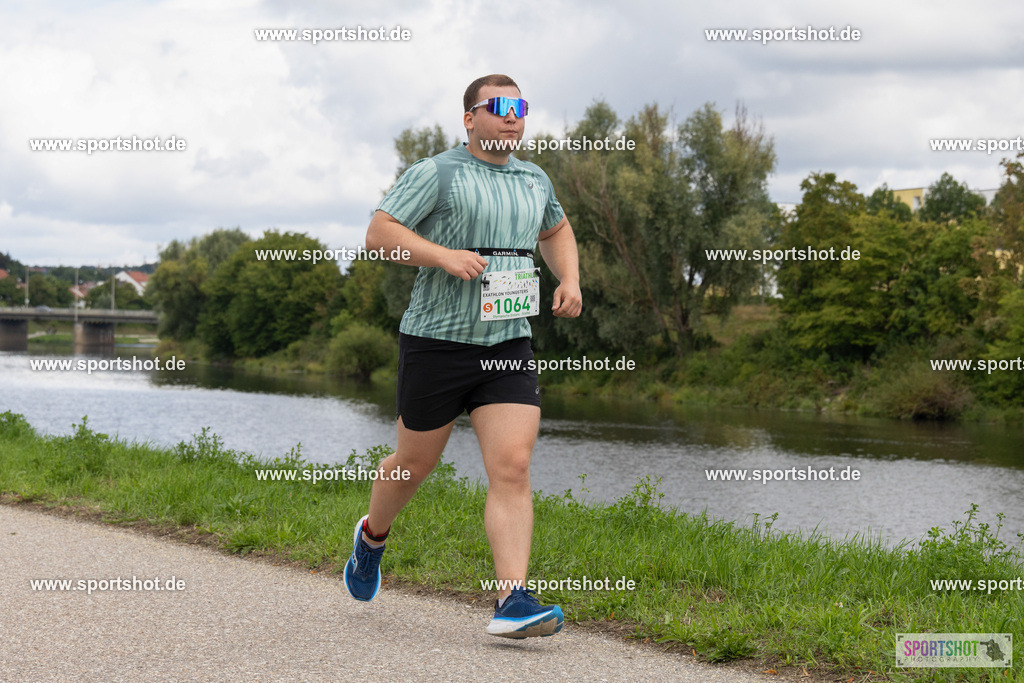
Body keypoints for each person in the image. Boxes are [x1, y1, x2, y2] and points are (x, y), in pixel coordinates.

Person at [344, 74, 582, 639]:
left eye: (521, 107)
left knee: (513, 466)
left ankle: (512, 600)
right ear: (470, 119)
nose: (513, 117)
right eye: (498, 107)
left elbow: (557, 228)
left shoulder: (533, 178)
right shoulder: (438, 172)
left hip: (508, 341)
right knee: (412, 465)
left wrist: (569, 277)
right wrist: (442, 256)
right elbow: (380, 233)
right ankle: (371, 538)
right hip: (437, 342)